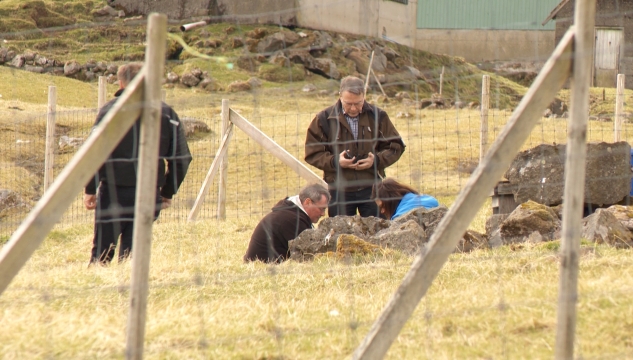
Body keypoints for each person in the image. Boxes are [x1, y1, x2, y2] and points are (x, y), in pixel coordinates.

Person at [84, 62, 192, 264]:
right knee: (133, 257)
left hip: (113, 194)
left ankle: (99, 290)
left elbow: (93, 153)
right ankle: (131, 291)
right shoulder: (167, 115)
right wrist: (167, 192)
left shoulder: (109, 112)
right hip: (148, 194)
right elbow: (182, 158)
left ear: (121, 83)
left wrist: (90, 188)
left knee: (102, 254)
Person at [305, 75, 405, 218]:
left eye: (358, 103)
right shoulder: (323, 119)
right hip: (339, 190)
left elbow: (395, 146)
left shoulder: (378, 116)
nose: (353, 108)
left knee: (378, 233)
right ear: (340, 96)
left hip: (372, 188)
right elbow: (312, 152)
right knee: (341, 235)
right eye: (348, 103)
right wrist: (335, 161)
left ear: (364, 96)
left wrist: (375, 160)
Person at [244, 183, 330, 263]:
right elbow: (311, 255)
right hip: (264, 269)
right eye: (321, 208)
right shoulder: (292, 220)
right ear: (308, 202)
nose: (323, 214)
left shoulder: (290, 211)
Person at [371, 178, 439, 220]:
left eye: (382, 206)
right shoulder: (430, 200)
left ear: (391, 200)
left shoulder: (399, 218)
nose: (382, 211)